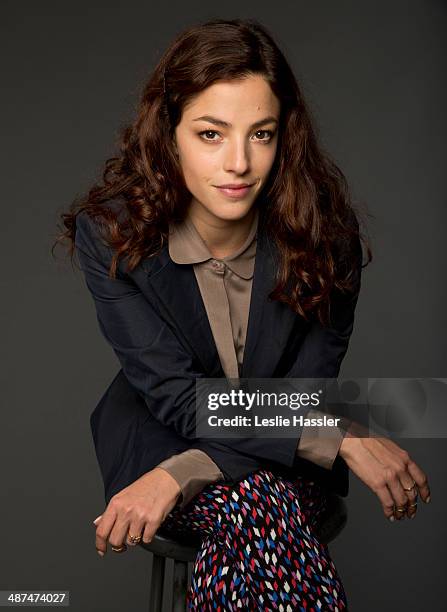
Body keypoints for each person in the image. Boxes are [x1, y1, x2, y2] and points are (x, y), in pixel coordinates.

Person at [54, 18, 431, 611]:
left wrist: (182, 475)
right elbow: (179, 398)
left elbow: (305, 392)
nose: (238, 163)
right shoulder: (113, 235)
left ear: (286, 137)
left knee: (255, 505)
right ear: (168, 130)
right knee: (261, 504)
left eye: (261, 134)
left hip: (261, 454)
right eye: (210, 133)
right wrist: (340, 435)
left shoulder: (327, 237)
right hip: (164, 438)